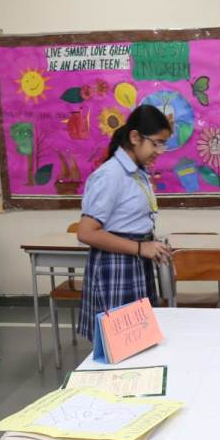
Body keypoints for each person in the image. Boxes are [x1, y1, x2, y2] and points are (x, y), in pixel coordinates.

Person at [76, 105, 173, 342]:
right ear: (135, 137)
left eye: (163, 144)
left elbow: (130, 220)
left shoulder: (137, 172)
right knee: (120, 345)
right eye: (156, 143)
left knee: (139, 342)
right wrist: (141, 247)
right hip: (116, 265)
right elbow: (86, 232)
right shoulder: (111, 174)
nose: (159, 151)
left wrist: (152, 246)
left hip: (136, 262)